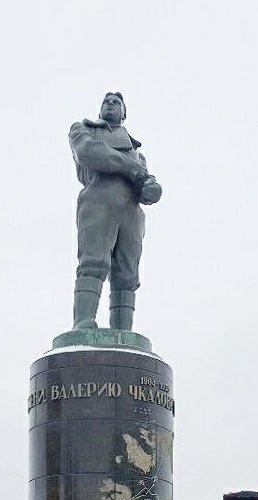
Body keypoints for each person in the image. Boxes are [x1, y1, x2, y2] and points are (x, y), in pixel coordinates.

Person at [68, 91, 162, 332]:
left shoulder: (137, 152)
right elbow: (91, 153)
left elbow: (144, 188)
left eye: (116, 103)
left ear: (124, 113)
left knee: (126, 275)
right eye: (106, 102)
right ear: (100, 111)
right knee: (93, 262)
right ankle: (83, 324)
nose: (111, 104)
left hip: (131, 213)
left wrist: (150, 187)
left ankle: (123, 335)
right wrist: (132, 167)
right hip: (98, 202)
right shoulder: (83, 130)